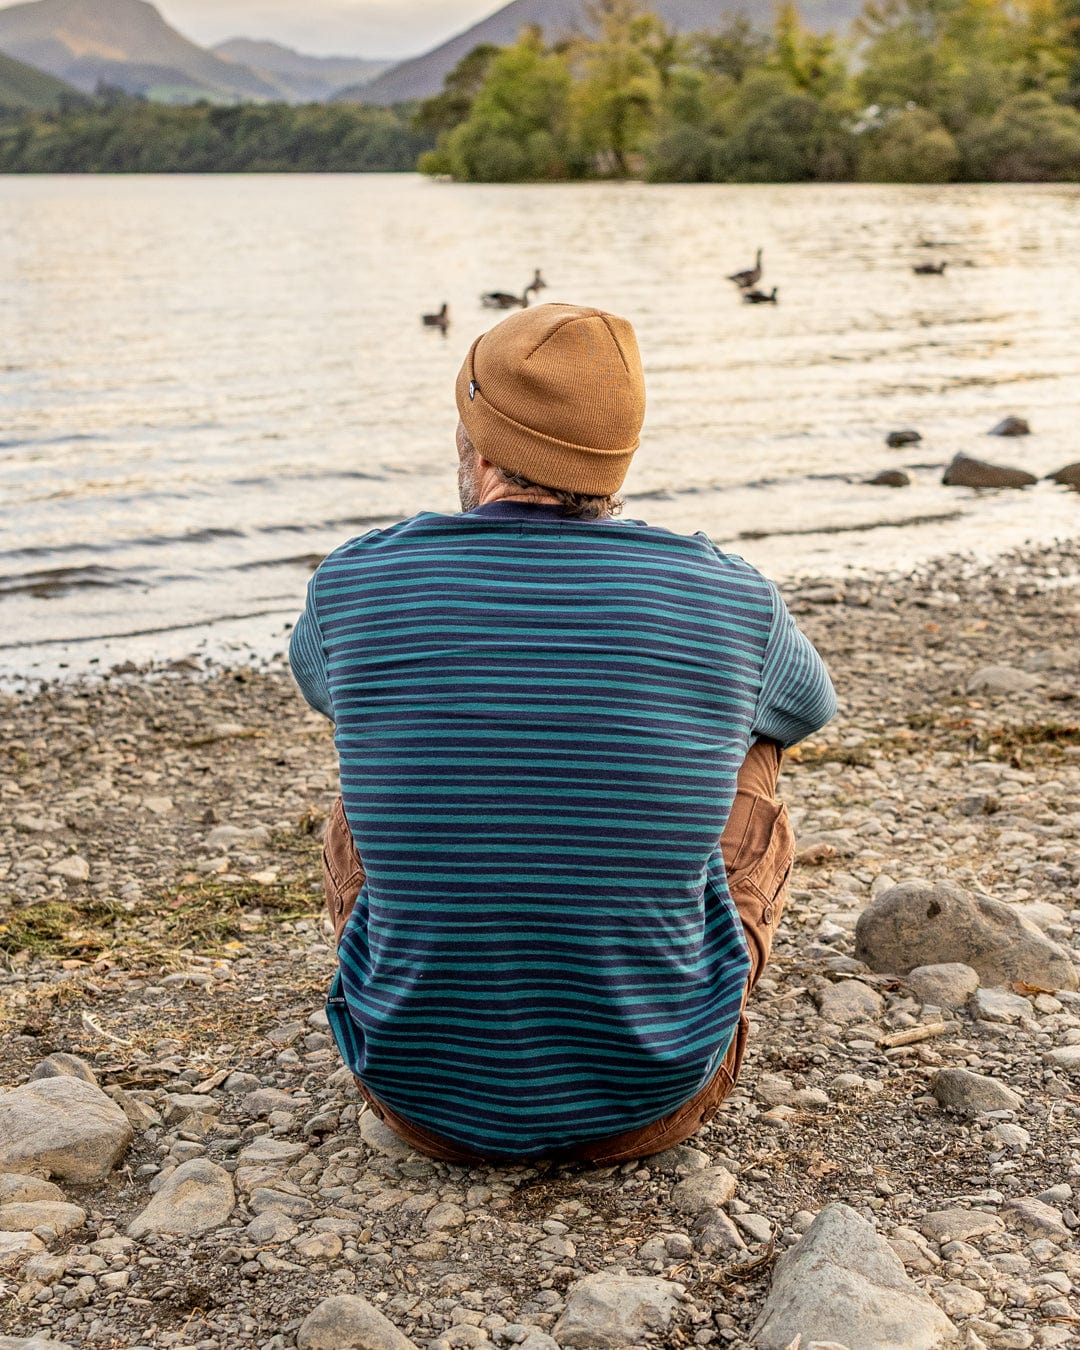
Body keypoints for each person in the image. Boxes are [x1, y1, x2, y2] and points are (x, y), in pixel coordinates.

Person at [289, 303, 836, 1164]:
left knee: (373, 767)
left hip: (415, 1101)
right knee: (753, 743)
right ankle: (643, 987)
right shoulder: (726, 592)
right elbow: (807, 710)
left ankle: (449, 1003)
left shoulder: (357, 580)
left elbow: (327, 693)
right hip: (654, 1101)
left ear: (474, 445)